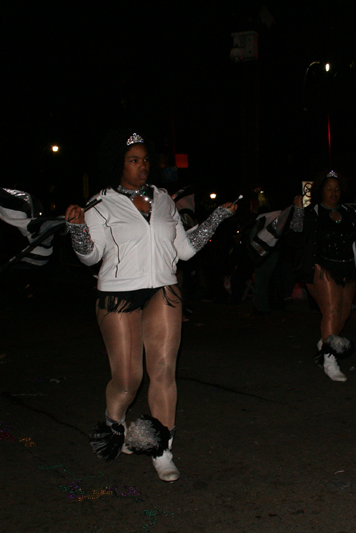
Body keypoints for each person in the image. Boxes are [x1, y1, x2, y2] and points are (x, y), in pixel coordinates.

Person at [65, 130, 236, 480]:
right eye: (133, 160)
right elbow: (89, 257)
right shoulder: (100, 203)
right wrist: (78, 230)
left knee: (162, 370)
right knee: (128, 380)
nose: (142, 166)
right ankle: (115, 421)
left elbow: (183, 250)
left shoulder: (163, 199)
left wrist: (216, 218)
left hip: (162, 288)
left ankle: (162, 448)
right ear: (118, 164)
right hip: (119, 292)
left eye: (145, 160)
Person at [289, 171, 356, 381]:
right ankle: (330, 359)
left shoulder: (349, 212)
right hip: (321, 266)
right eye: (329, 188)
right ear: (321, 190)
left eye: (337, 189)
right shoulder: (312, 211)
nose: (333, 193)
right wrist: (297, 211)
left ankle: (325, 344)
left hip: (347, 268)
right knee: (331, 311)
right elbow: (296, 237)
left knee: (343, 314)